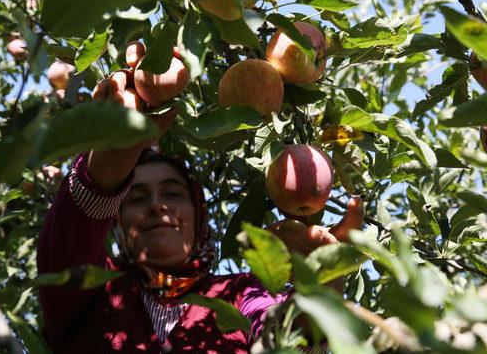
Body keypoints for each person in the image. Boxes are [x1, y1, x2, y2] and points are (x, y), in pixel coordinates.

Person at [36, 55, 362, 353]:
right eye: (136, 197)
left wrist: (321, 293)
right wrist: (115, 153)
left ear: (198, 215)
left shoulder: (236, 295)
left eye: (173, 194)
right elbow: (70, 235)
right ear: (117, 221)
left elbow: (277, 334)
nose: (156, 206)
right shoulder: (96, 291)